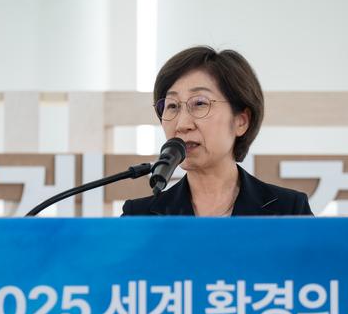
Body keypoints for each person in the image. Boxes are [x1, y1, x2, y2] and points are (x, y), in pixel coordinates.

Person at [122, 46, 312, 217]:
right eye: (172, 106)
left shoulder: (289, 210)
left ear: (241, 121)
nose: (182, 124)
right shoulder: (140, 217)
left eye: (199, 103)